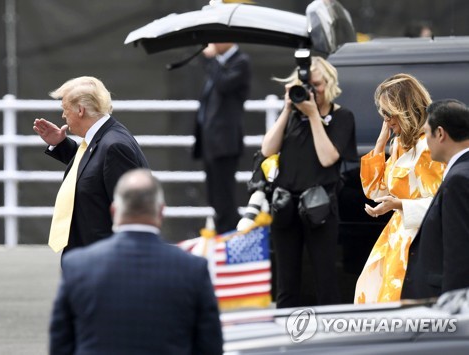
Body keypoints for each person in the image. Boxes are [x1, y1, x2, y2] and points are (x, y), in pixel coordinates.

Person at [49, 169, 223, 354]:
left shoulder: (77, 266)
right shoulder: (193, 270)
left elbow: (61, 344)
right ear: (161, 211)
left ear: (114, 210)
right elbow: (209, 347)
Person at [261, 56, 357, 307]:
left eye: (318, 84)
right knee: (286, 284)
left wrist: (315, 116)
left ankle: (330, 340)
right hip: (286, 207)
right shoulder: (293, 115)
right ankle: (285, 341)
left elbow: (328, 158)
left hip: (320, 207)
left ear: (329, 83)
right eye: (307, 86)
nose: (313, 91)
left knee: (325, 280)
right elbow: (267, 150)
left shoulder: (342, 117)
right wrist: (287, 109)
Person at [355, 73, 445, 304]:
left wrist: (399, 204)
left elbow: (442, 203)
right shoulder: (398, 143)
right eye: (382, 114)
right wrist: (380, 143)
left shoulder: (429, 145)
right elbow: (374, 191)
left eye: (389, 113)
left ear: (405, 108)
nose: (386, 120)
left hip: (419, 240)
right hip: (396, 237)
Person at [33, 76, 149, 254]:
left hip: (104, 261)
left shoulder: (114, 146)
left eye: (65, 109)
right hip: (92, 256)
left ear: (80, 110)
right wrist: (61, 144)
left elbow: (131, 213)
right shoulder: (104, 138)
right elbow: (93, 170)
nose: (63, 116)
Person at [402, 99, 469, 299]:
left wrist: (451, 313)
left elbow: (459, 253)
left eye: (425, 133)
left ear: (440, 134)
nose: (424, 141)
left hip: (444, 304)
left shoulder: (458, 179)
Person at [192, 42, 251, 234]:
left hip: (225, 141)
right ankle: (222, 232)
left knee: (225, 196)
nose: (212, 43)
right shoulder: (219, 64)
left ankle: (229, 236)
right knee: (214, 196)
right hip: (211, 141)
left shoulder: (240, 62)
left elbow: (224, 85)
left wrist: (211, 61)